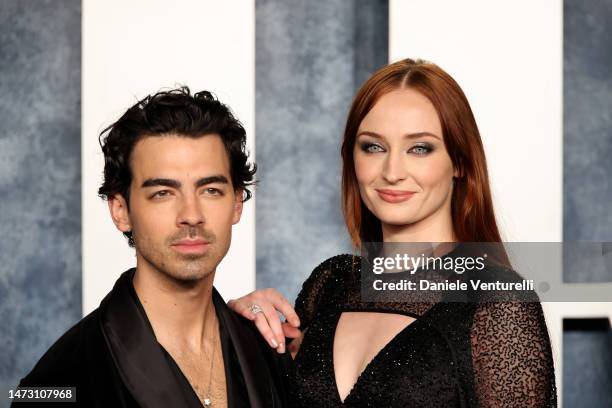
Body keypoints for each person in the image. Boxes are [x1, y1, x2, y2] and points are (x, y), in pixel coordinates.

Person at [228, 59, 557, 407]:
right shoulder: (331, 284)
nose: (392, 171)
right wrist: (238, 330)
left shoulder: (497, 301)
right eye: (373, 147)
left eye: (419, 148)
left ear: (459, 161)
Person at [15, 88, 289, 408]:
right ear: (121, 210)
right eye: (162, 193)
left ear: (237, 203)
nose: (191, 215)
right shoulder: (58, 380)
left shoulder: (268, 345)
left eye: (211, 190)